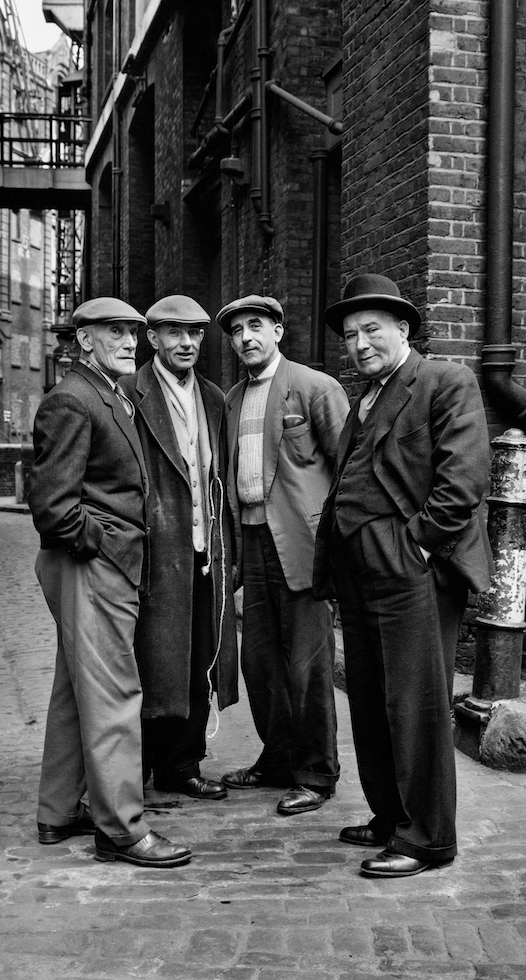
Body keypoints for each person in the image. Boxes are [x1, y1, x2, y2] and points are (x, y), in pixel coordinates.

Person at [314, 273, 494, 877]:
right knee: (368, 700)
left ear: (403, 330)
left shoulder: (444, 382)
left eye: (372, 330)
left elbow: (463, 480)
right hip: (358, 572)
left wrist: (417, 543)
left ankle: (429, 837)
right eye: (350, 335)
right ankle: (391, 816)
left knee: (414, 703)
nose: (360, 344)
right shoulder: (363, 398)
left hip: (410, 568)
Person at [28, 296, 191, 868]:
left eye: (134, 333)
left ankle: (57, 811)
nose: (130, 342)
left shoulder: (106, 393)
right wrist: (102, 545)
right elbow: (53, 508)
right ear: (85, 340)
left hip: (101, 565)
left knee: (77, 692)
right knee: (115, 694)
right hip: (91, 565)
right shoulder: (73, 400)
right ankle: (121, 829)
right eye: (115, 332)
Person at [217, 294, 349, 815]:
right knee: (261, 663)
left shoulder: (316, 387)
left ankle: (317, 773)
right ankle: (277, 760)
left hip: (302, 544)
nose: (246, 337)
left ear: (277, 331)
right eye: (236, 331)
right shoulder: (231, 399)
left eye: (256, 326)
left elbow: (349, 468)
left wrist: (339, 546)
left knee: (309, 665)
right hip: (250, 542)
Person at [120, 295, 239, 801]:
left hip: (204, 550)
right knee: (150, 660)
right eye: (174, 333)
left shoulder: (214, 396)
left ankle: (183, 765)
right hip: (154, 550)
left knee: (197, 660)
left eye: (195, 334)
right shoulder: (128, 392)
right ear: (153, 338)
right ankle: (135, 768)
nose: (186, 343)